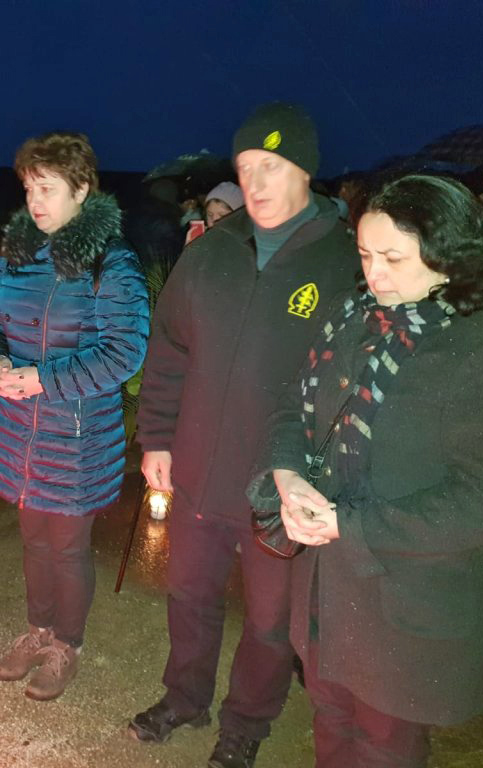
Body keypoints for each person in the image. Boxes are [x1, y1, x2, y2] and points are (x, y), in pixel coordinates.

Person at [248, 174, 483, 767]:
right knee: (329, 718)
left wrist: (351, 525)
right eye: (365, 254)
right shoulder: (352, 316)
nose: (375, 275)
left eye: (394, 258)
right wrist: (288, 475)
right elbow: (293, 406)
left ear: (449, 254)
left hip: (408, 597)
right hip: (326, 585)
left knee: (384, 745)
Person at [129, 103, 359, 768]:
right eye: (245, 168)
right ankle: (185, 697)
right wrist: (158, 439)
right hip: (199, 466)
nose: (254, 183)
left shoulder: (346, 262)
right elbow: (169, 348)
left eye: (272, 167)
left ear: (306, 171)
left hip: (281, 483)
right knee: (188, 596)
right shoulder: (211, 252)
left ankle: (247, 723)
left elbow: (352, 385)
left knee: (269, 621)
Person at [0, 132, 149, 700]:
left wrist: (42, 379)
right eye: (29, 188)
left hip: (77, 435)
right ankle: (38, 631)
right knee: (33, 539)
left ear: (82, 189)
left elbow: (124, 352)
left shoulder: (111, 263)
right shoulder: (17, 256)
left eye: (47, 188)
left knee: (68, 545)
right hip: (19, 427)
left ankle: (66, 645)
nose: (35, 201)